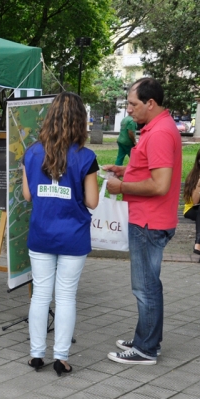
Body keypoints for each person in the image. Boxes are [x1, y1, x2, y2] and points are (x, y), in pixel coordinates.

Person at [105, 77, 182, 366]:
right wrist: (125, 169)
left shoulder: (160, 132)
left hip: (149, 222)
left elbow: (160, 184)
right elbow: (150, 168)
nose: (129, 110)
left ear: (150, 103)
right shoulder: (157, 127)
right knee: (149, 285)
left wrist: (121, 187)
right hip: (149, 219)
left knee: (145, 287)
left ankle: (146, 349)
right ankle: (147, 339)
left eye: (133, 104)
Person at [22, 92, 99, 376]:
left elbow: (28, 195)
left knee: (40, 295)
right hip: (73, 237)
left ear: (50, 117)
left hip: (41, 234)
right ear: (80, 121)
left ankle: (35, 355)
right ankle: (61, 357)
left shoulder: (31, 152)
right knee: (66, 297)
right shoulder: (86, 157)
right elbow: (92, 202)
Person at [182, 148, 200, 255]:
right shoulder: (193, 176)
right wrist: (198, 185)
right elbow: (194, 202)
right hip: (191, 209)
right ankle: (198, 242)